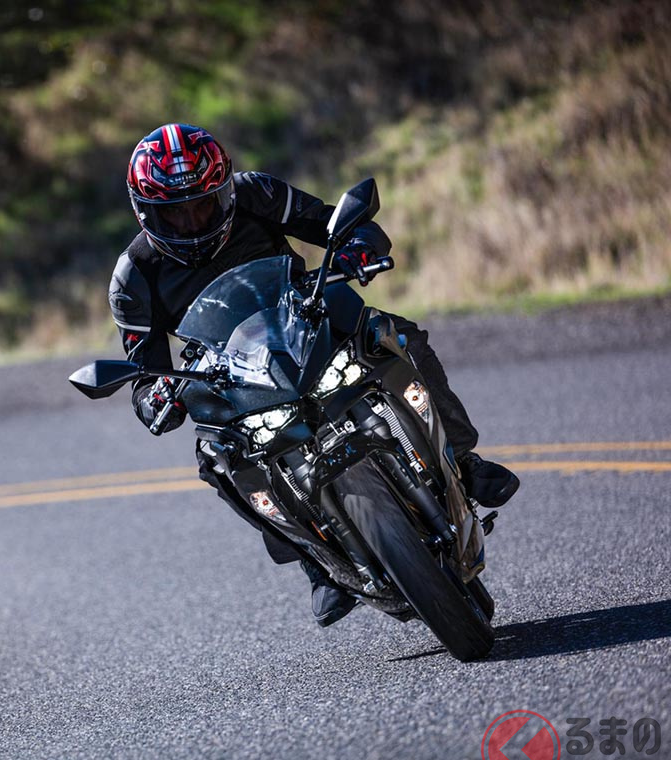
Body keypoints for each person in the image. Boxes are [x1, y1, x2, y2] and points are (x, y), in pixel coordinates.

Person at [109, 123, 519, 627]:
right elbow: (142, 376)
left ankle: (462, 459)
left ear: (225, 191)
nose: (193, 220)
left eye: (204, 205)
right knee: (214, 458)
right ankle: (316, 562)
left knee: (397, 335)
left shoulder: (257, 194)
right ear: (145, 212)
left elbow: (338, 224)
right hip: (232, 375)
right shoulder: (133, 276)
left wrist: (357, 246)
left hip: (306, 321)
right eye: (176, 212)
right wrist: (158, 396)